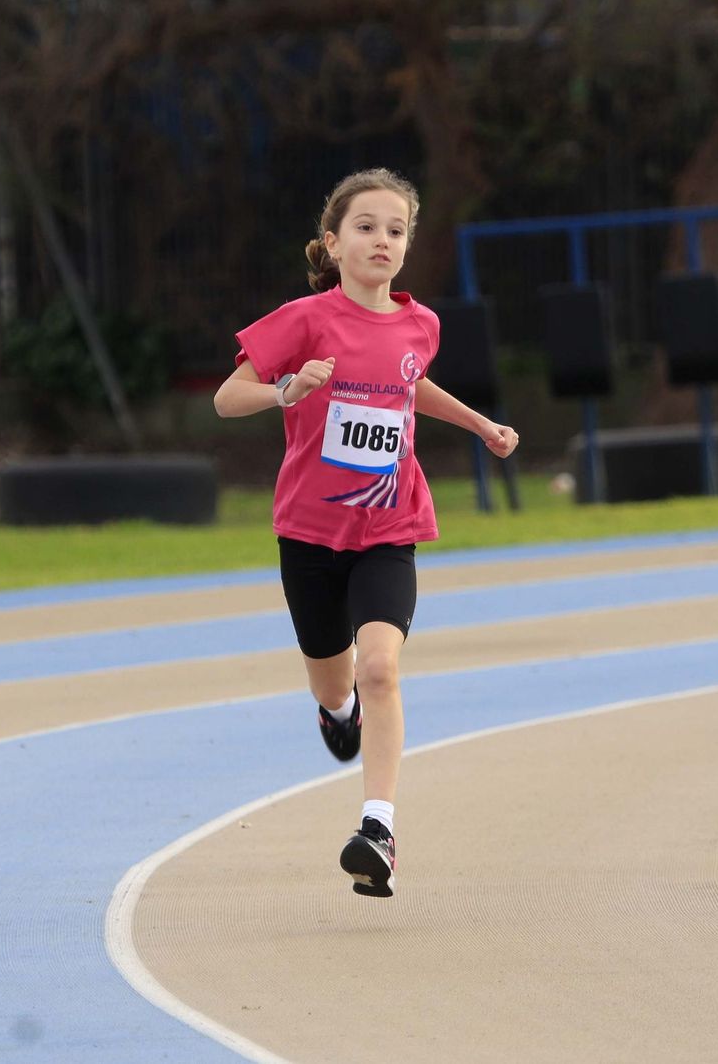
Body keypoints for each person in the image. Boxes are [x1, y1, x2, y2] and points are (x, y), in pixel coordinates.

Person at [214, 168, 519, 897]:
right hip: (311, 535)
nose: (382, 240)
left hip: (390, 526)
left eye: (396, 230)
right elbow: (229, 398)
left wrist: (479, 424)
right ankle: (336, 710)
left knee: (381, 667)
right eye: (366, 227)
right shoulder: (304, 320)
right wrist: (287, 388)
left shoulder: (422, 324)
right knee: (336, 676)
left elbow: (409, 381)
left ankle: (377, 826)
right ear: (333, 241)